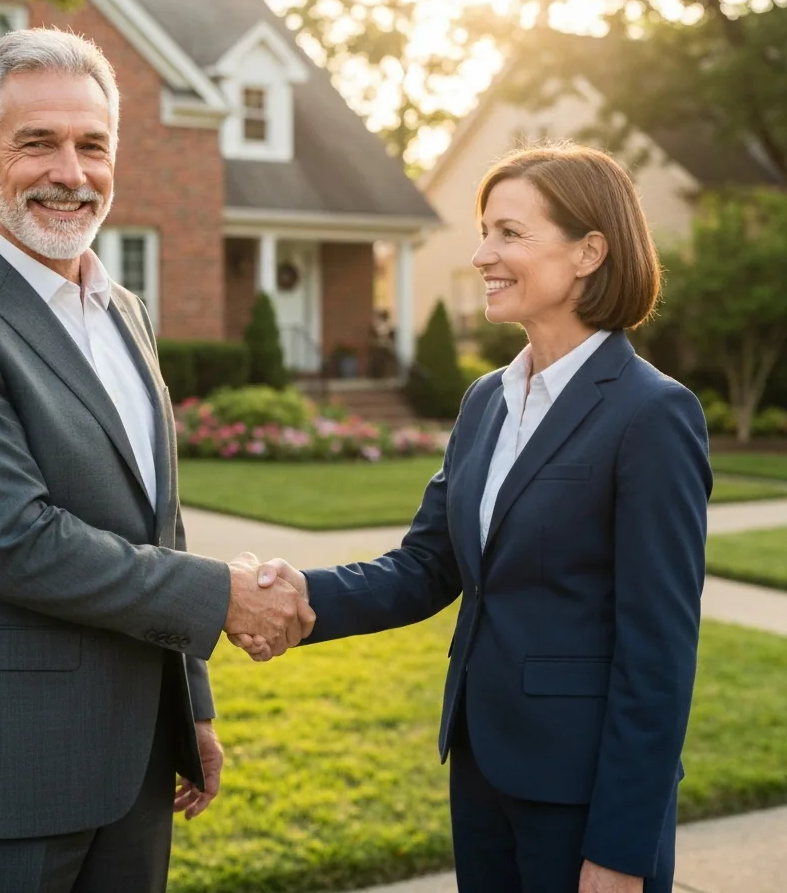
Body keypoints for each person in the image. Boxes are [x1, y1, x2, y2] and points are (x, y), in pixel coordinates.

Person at [0, 27, 313, 893]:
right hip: (3, 779)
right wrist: (223, 595)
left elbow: (159, 519)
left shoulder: (124, 311)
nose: (70, 172)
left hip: (138, 771)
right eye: (36, 142)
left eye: (92, 145)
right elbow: (15, 542)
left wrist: (192, 710)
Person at [233, 144, 712, 893]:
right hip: (483, 767)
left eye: (510, 234)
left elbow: (660, 653)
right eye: (484, 230)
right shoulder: (486, 400)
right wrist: (300, 593)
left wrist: (621, 849)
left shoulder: (653, 414)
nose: (482, 253)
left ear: (589, 251)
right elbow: (429, 565)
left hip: (583, 795)